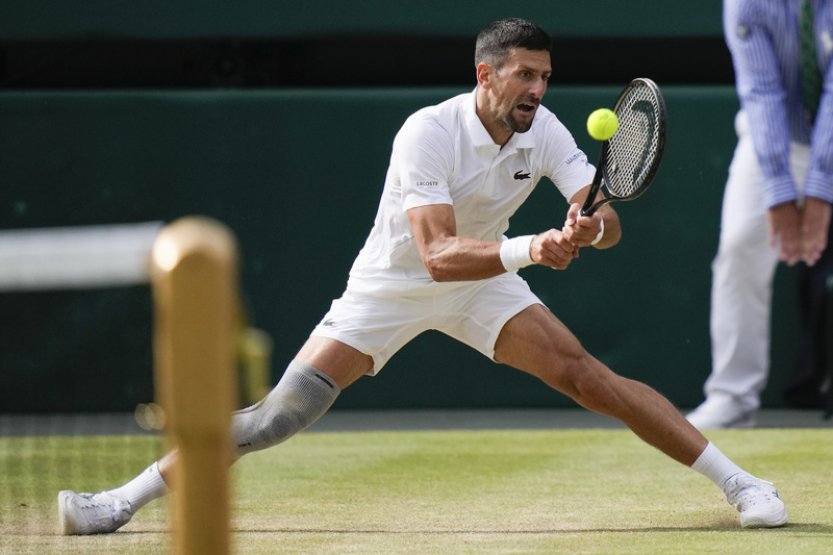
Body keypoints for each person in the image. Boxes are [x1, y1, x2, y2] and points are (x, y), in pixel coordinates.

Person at [58, 18, 787, 534]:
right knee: (274, 418)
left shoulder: (550, 131)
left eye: (544, 76)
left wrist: (590, 226)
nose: (536, 88)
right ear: (487, 74)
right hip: (392, 284)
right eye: (524, 74)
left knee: (587, 376)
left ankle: (741, 482)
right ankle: (116, 502)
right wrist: (535, 248)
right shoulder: (427, 132)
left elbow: (602, 221)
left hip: (485, 283)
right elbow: (436, 254)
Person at [687, 0, 833, 429]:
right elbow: (762, 90)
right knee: (738, 248)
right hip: (771, 139)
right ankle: (733, 397)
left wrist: (820, 191)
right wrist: (780, 190)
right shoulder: (747, 2)